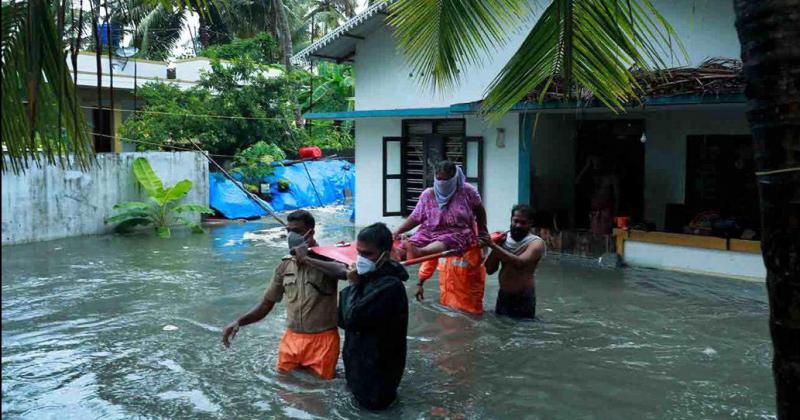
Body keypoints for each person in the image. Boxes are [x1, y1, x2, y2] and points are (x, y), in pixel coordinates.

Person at [221, 210, 348, 380]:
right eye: (289, 231)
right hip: (291, 338)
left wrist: (308, 259)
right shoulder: (285, 265)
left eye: (297, 231)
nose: (291, 236)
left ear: (311, 232)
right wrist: (239, 322)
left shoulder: (328, 259)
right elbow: (266, 304)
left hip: (323, 340)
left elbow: (344, 272)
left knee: (319, 394)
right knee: (285, 388)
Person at [338, 223, 409, 410]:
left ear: (385, 255)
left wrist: (354, 285)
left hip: (377, 374)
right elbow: (342, 321)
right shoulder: (369, 278)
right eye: (358, 252)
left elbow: (351, 319)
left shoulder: (390, 286)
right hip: (358, 366)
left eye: (367, 254)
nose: (360, 259)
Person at [392, 160, 487, 260]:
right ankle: (398, 253)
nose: (442, 183)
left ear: (454, 178)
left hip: (457, 232)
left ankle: (421, 252)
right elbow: (415, 218)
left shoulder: (467, 191)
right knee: (414, 241)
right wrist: (397, 231)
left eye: (446, 180)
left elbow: (480, 210)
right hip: (429, 231)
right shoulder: (428, 194)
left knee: (446, 241)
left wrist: (483, 232)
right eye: (439, 179)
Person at [479, 205, 546, 319]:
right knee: (501, 332)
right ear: (511, 220)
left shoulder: (536, 243)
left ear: (530, 223)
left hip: (524, 297)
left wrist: (493, 246)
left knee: (523, 333)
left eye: (523, 222)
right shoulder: (503, 240)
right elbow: (489, 269)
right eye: (515, 221)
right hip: (503, 295)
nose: (518, 225)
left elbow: (520, 263)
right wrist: (498, 245)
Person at [576, 155, 620, 234]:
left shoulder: (611, 178)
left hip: (606, 214)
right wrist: (586, 167)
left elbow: (617, 198)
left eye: (597, 161)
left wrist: (614, 216)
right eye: (594, 162)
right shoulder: (591, 177)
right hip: (594, 213)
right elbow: (577, 182)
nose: (596, 164)